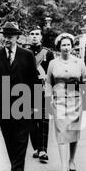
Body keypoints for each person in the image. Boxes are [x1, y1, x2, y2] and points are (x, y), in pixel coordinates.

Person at [0, 22, 39, 171]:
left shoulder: (27, 55)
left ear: (17, 37)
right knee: (9, 138)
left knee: (21, 139)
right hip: (4, 105)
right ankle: (15, 166)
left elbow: (34, 80)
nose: (7, 39)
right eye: (5, 36)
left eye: (10, 36)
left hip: (23, 104)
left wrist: (36, 104)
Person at [45, 33, 86, 171]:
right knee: (62, 132)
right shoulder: (53, 63)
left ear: (72, 46)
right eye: (63, 45)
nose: (66, 48)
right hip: (59, 101)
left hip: (76, 100)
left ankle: (71, 161)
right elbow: (48, 82)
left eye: (68, 45)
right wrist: (48, 98)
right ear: (59, 47)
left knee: (73, 132)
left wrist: (82, 88)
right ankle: (64, 167)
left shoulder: (79, 62)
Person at [28, 26, 55, 163]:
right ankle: (37, 147)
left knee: (44, 119)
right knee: (32, 120)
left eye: (37, 34)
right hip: (28, 90)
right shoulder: (24, 53)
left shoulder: (48, 53)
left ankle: (43, 149)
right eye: (32, 34)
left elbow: (52, 74)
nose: (34, 36)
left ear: (41, 37)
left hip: (44, 89)